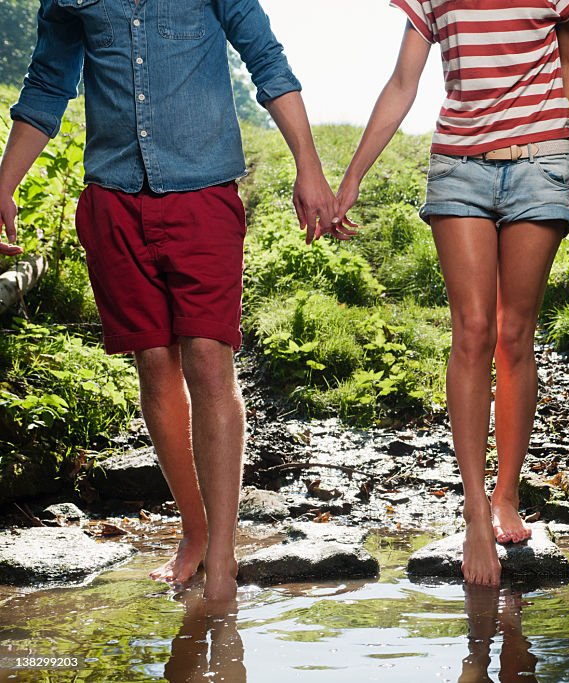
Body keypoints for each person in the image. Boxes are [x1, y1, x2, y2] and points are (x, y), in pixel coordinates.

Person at [0, 0, 347, 603]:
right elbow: (47, 85)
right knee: (155, 366)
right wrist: (3, 185)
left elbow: (268, 61)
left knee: (210, 361)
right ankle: (194, 529)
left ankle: (221, 551)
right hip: (112, 199)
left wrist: (308, 167)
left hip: (203, 195)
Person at [329, 0, 569, 586]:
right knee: (472, 330)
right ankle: (475, 507)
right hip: (459, 167)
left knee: (514, 333)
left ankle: (506, 494)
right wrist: (352, 178)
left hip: (539, 163)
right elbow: (404, 81)